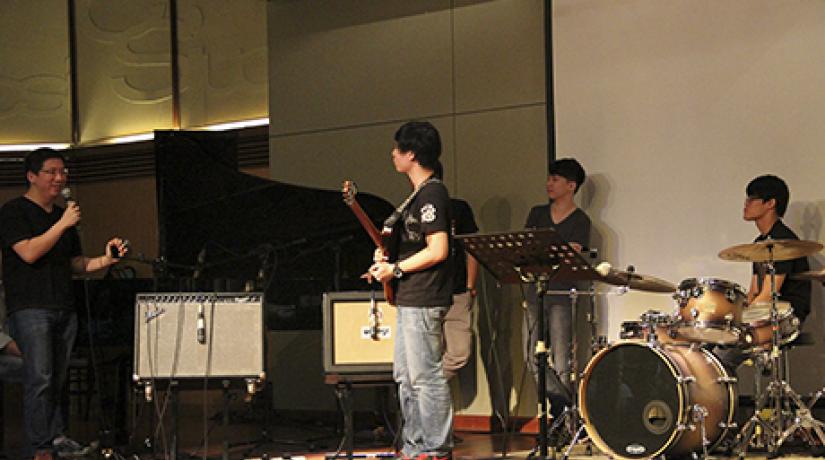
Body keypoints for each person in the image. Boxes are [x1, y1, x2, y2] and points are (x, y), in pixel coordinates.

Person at [0, 148, 128, 460]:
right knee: (40, 376)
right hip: (31, 307)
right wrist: (62, 224)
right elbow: (29, 252)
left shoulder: (62, 217)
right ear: (32, 176)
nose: (60, 178)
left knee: (57, 378)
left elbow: (75, 264)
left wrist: (106, 259)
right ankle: (39, 447)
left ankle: (56, 439)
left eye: (63, 172)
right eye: (52, 172)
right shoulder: (14, 211)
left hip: (63, 306)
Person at [367, 121, 453, 460]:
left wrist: (397, 268)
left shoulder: (432, 193)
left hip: (425, 296)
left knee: (425, 376)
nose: (393, 154)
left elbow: (438, 249)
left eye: (397, 148)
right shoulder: (417, 195)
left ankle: (435, 447)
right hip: (409, 296)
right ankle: (414, 444)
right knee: (405, 376)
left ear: (412, 154)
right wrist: (386, 257)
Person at [715, 175, 811, 373]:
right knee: (708, 346)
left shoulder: (782, 242)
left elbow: (766, 296)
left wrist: (738, 323)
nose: (746, 204)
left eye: (752, 198)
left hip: (786, 319)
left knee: (722, 356)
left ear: (770, 203)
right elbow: (754, 293)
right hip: (765, 316)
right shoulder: (760, 243)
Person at [522, 158, 591, 424]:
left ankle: (565, 422)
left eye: (555, 179)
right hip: (535, 292)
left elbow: (568, 255)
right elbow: (529, 247)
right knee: (532, 357)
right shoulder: (537, 213)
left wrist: (548, 252)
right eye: (549, 178)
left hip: (562, 293)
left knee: (563, 360)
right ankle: (564, 405)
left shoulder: (580, 220)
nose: (549, 184)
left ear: (571, 186)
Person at [432, 163, 479, 380]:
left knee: (459, 352)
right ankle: (428, 407)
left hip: (457, 289)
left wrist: (470, 285)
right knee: (427, 354)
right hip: (426, 291)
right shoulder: (411, 210)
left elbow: (472, 248)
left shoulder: (458, 208)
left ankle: (429, 394)